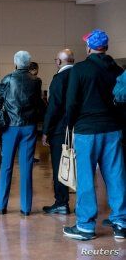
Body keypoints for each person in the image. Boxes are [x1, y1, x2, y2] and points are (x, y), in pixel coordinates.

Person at [63, 30, 126, 240]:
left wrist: (70, 124)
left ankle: (86, 226)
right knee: (116, 175)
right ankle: (121, 223)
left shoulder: (80, 69)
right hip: (113, 129)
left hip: (86, 131)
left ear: (89, 46)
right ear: (105, 47)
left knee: (86, 178)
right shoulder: (117, 70)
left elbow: (71, 102)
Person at [0, 51, 42, 216]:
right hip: (29, 126)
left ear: (15, 62)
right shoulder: (36, 81)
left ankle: (2, 205)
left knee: (6, 166)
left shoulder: (7, 79)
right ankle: (25, 208)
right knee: (26, 166)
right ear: (29, 64)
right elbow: (38, 103)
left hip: (10, 127)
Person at [41, 49, 75, 215]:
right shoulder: (80, 75)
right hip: (80, 129)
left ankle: (61, 202)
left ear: (59, 62)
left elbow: (53, 107)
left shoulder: (59, 79)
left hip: (61, 130)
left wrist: (46, 130)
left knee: (60, 166)